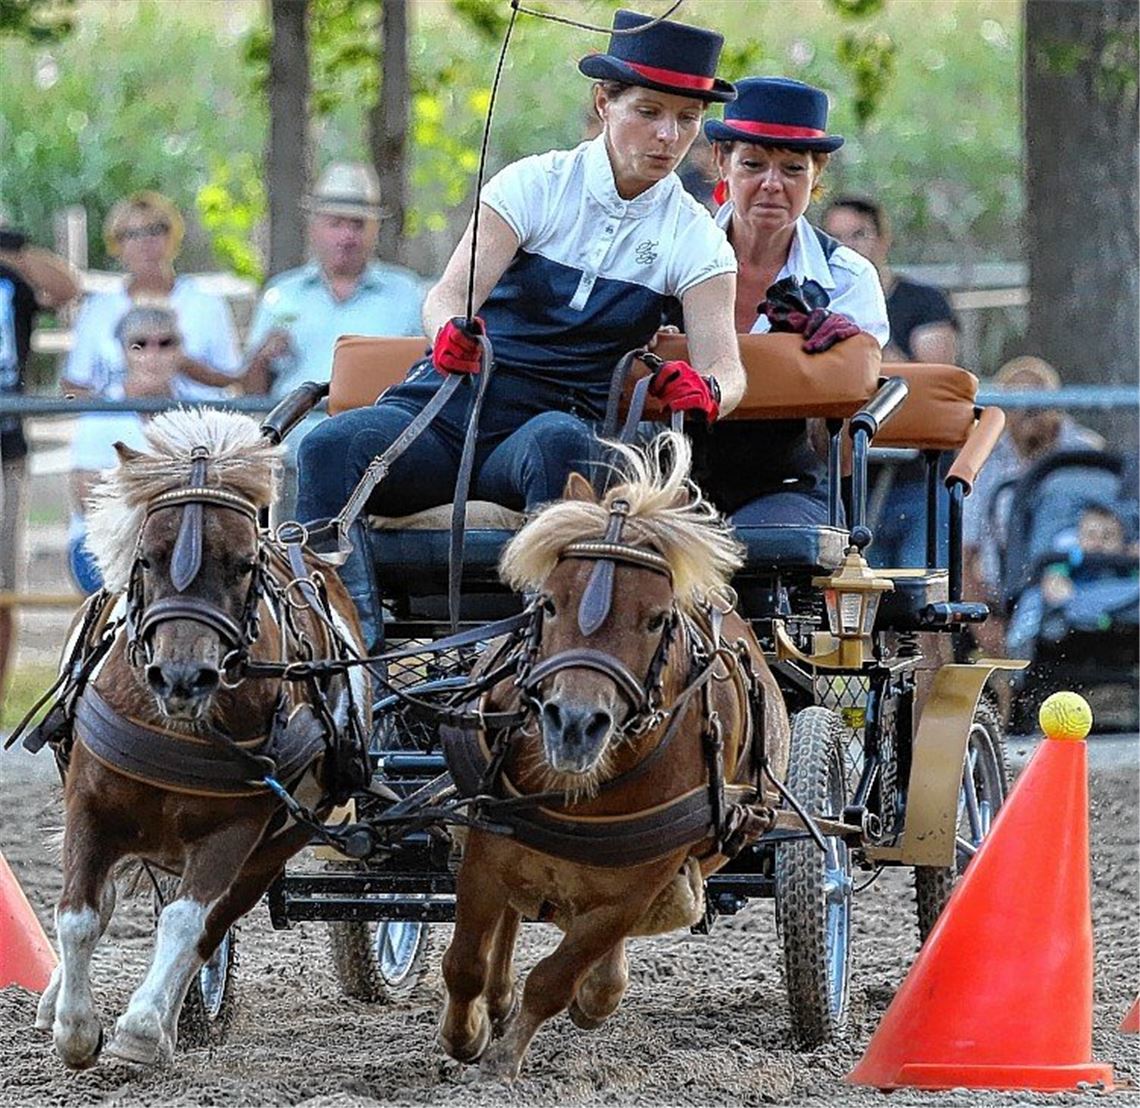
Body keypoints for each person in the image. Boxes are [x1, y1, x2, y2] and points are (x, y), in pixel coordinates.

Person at [296, 8, 744, 649]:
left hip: (549, 426)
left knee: (564, 443)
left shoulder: (695, 236)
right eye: (649, 111)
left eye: (686, 119)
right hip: (448, 413)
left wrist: (705, 390)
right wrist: (449, 330)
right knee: (325, 449)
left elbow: (727, 370)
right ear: (605, 102)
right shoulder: (535, 185)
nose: (669, 135)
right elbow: (449, 295)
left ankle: (540, 656)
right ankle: (343, 656)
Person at [699, 77, 889, 526]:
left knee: (768, 538)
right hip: (670, 478)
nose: (771, 184)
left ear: (817, 174)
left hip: (790, 485)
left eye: (792, 169)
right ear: (721, 162)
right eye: (753, 164)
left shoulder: (846, 278)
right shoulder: (674, 256)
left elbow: (840, 453)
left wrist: (838, 376)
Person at [823, 194, 958, 567]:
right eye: (836, 239)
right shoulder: (814, 301)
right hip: (847, 477)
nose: (848, 249)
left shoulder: (924, 301)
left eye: (859, 235)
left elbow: (932, 384)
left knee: (925, 593)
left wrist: (856, 335)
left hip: (919, 479)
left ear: (884, 240)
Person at [244, 162, 426, 401]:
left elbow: (429, 376)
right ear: (313, 227)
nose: (347, 237)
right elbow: (249, 391)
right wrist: (262, 359)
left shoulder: (406, 293)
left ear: (375, 230)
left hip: (379, 430)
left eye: (358, 224)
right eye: (336, 223)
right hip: (295, 432)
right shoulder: (281, 294)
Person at [963, 355, 1103, 656]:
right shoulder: (984, 459)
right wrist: (985, 626)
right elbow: (964, 551)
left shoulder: (1086, 453)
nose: (1028, 410)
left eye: (1037, 401)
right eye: (1017, 402)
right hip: (1002, 598)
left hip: (1075, 591)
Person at [0, 214, 81, 708]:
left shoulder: (14, 271)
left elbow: (65, 286)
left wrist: (11, 246)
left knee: (4, 587)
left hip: (5, 451)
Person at [60, 191, 247, 402]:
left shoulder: (206, 304)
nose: (145, 242)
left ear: (173, 236)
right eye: (131, 234)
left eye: (156, 230)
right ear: (117, 244)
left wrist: (183, 365)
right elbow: (73, 386)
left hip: (189, 427)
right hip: (116, 427)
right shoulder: (98, 308)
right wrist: (118, 397)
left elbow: (234, 380)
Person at [67, 304, 179, 593]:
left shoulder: (196, 411)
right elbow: (88, 502)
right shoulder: (101, 415)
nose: (152, 354)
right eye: (140, 344)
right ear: (123, 351)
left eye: (165, 343)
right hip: (112, 540)